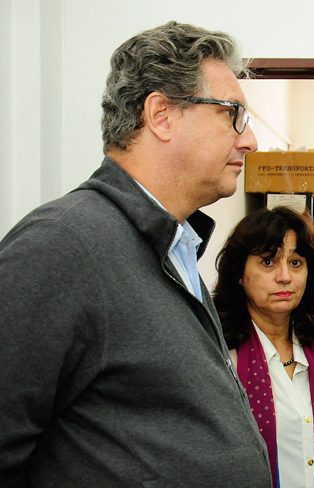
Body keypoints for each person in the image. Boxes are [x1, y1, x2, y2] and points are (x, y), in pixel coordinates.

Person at [0, 22, 272, 487]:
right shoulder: (61, 248)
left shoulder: (176, 244)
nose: (249, 141)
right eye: (233, 114)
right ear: (161, 114)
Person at [213, 206, 314, 488]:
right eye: (268, 262)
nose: (285, 276)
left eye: (296, 263)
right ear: (239, 273)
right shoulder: (218, 352)